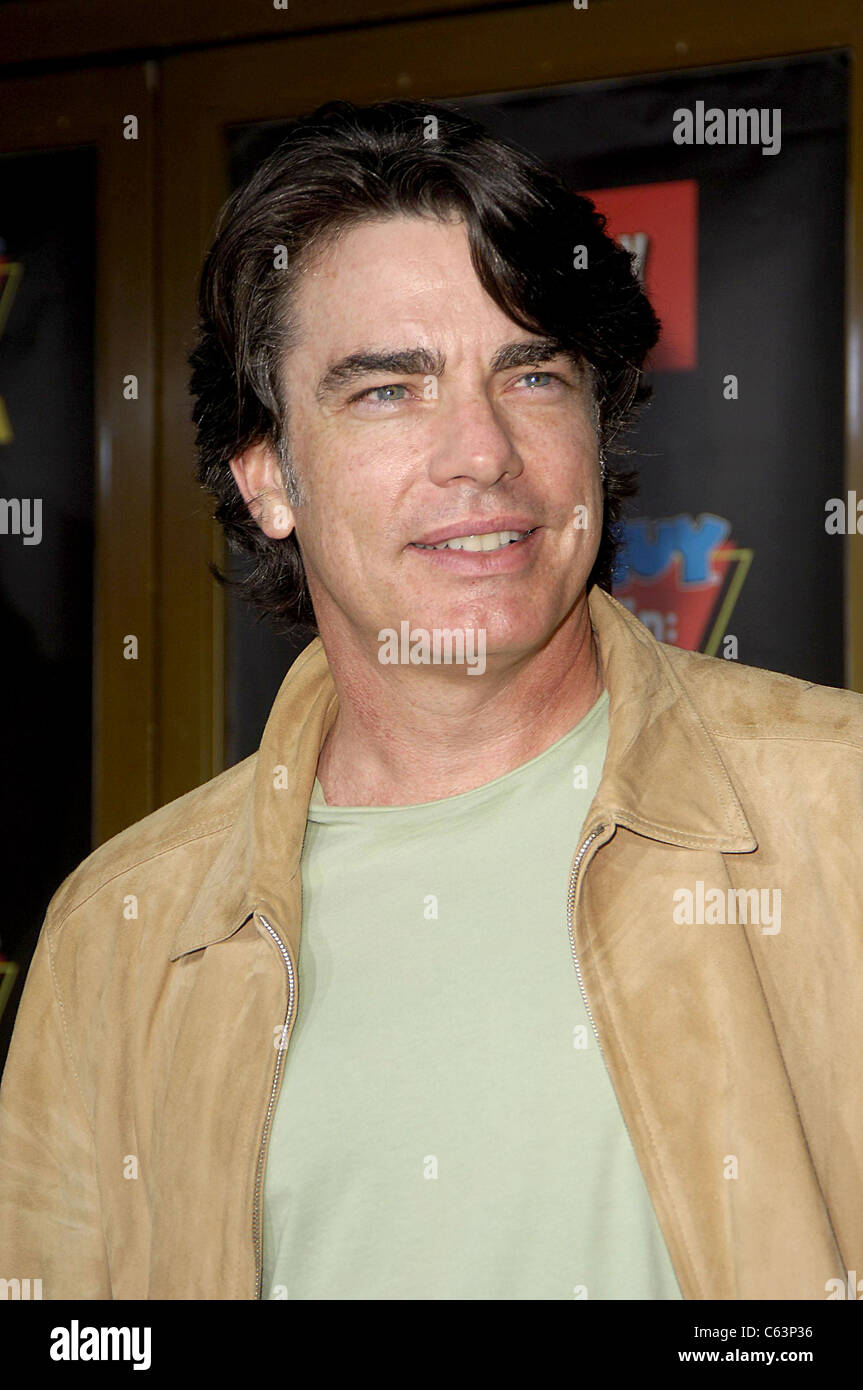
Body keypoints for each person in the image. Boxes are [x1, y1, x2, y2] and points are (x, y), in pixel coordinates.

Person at [0, 98, 860, 1302]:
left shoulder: (840, 812)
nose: (481, 454)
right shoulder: (120, 934)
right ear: (267, 478)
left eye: (532, 375)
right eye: (388, 391)